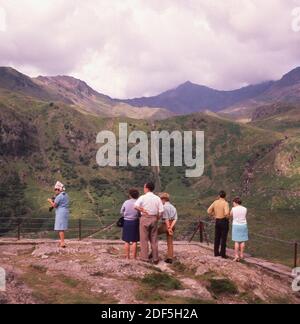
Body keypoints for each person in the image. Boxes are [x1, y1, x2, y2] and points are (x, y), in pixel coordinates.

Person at [135, 182, 164, 265]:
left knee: (144, 239)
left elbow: (135, 206)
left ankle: (145, 258)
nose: (143, 189)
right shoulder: (157, 198)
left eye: (144, 187)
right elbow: (161, 211)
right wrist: (157, 218)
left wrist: (142, 210)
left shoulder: (142, 197)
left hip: (144, 218)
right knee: (154, 240)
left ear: (147, 188)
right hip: (154, 218)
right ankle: (155, 258)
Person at [207, 191, 230, 259]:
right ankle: (223, 254)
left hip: (217, 220)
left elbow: (208, 211)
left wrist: (214, 215)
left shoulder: (215, 202)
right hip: (224, 221)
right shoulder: (225, 203)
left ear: (219, 196)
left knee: (217, 237)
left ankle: (216, 252)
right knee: (223, 238)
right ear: (225, 196)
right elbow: (226, 213)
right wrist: (228, 217)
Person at [48, 181, 70, 248]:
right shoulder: (66, 195)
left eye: (55, 189)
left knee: (60, 228)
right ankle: (62, 241)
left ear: (59, 189)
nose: (55, 191)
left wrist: (50, 201)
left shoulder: (59, 196)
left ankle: (62, 242)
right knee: (62, 227)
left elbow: (54, 205)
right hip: (65, 211)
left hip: (60, 212)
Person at [120, 189, 140, 260]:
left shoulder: (126, 202)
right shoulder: (138, 202)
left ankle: (127, 257)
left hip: (126, 222)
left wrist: (125, 215)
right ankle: (134, 257)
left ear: (130, 195)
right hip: (135, 222)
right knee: (134, 240)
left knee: (127, 240)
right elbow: (140, 213)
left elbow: (121, 211)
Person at [158, 193, 178, 264]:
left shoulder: (164, 207)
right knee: (170, 241)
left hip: (166, 225)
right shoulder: (173, 207)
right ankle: (170, 258)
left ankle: (153, 252)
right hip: (172, 224)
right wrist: (171, 228)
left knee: (153, 234)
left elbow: (166, 218)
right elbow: (175, 219)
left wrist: (168, 227)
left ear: (163, 199)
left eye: (160, 199)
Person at [230, 197, 248, 262]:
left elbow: (230, 215)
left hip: (236, 225)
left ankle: (236, 255)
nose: (233, 204)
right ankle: (242, 254)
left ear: (236, 202)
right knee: (243, 241)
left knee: (236, 241)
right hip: (243, 225)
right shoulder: (245, 209)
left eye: (233, 203)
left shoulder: (233, 209)